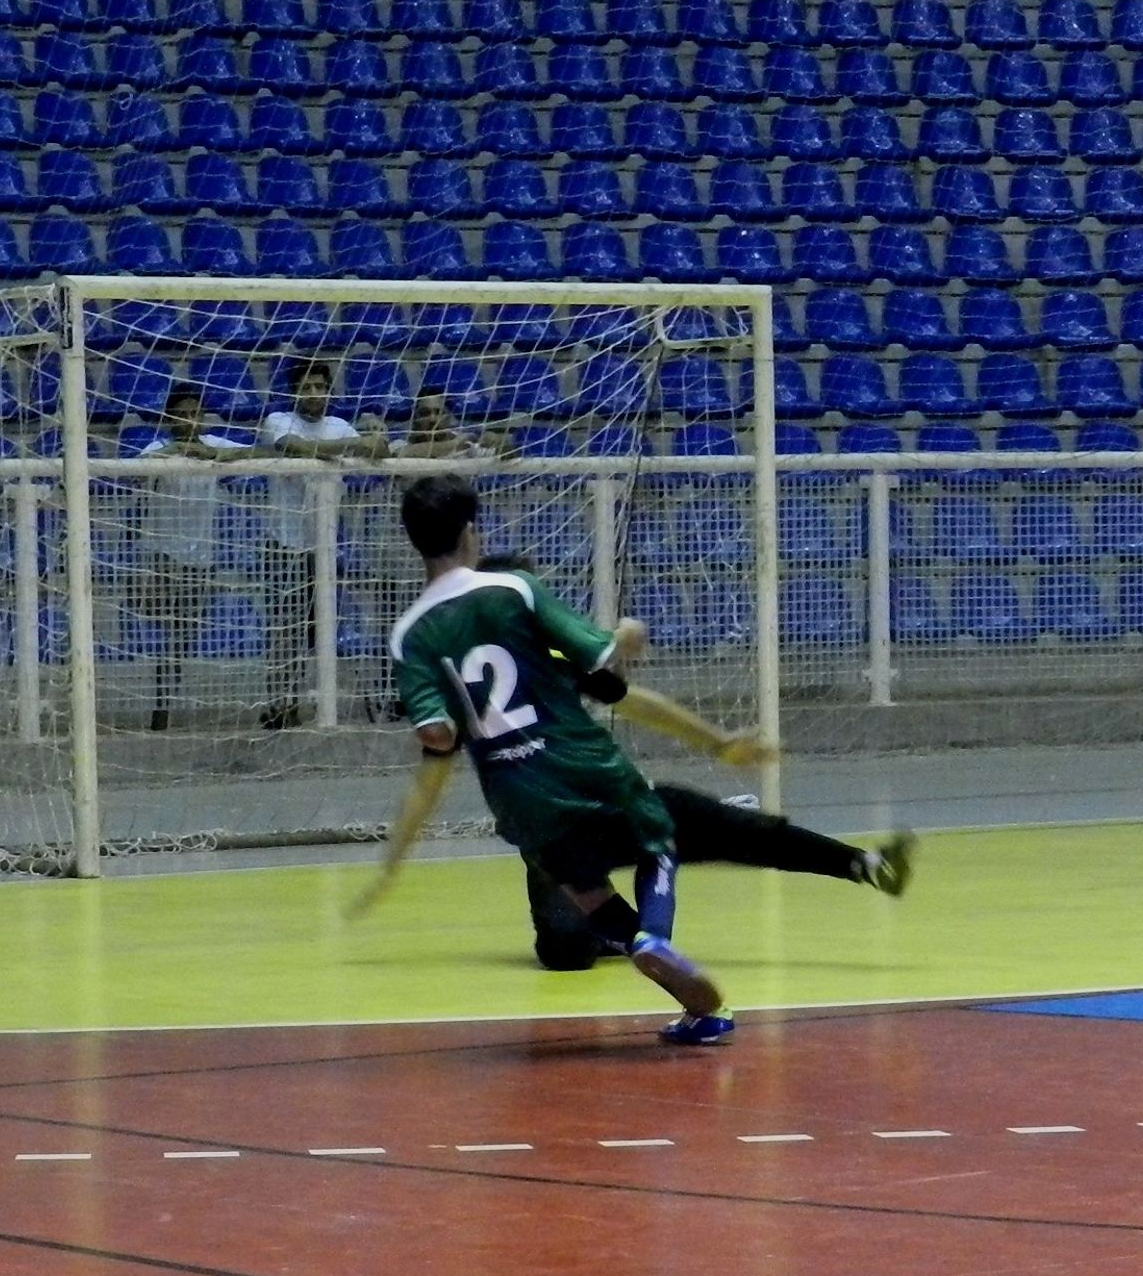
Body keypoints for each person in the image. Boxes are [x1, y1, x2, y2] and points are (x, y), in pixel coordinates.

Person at [383, 474, 732, 1044]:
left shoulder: (408, 634)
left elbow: (438, 735)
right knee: (659, 837)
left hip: (514, 793)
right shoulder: (513, 588)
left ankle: (694, 1011)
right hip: (579, 760)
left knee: (585, 888)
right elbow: (600, 658)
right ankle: (654, 937)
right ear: (472, 531)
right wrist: (626, 633)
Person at [469, 550, 915, 970]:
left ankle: (863, 865)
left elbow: (630, 699)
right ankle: (630, 935)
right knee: (566, 953)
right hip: (548, 827)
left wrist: (718, 742)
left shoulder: (549, 654)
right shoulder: (460, 668)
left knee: (717, 826)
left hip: (593, 811)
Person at [257, 359, 388, 730]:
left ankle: (328, 703)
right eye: (306, 388)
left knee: (325, 627)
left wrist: (351, 444)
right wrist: (350, 445)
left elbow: (379, 448)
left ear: (330, 391)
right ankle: (281, 704)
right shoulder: (277, 420)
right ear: (294, 392)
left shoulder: (339, 425)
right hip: (282, 545)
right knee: (285, 629)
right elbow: (295, 447)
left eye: (320, 387)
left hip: (326, 547)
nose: (314, 394)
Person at [133, 387, 251, 731]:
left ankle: (165, 699)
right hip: (160, 558)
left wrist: (213, 455)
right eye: (181, 414)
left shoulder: (213, 445)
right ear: (169, 419)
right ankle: (160, 700)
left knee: (180, 637)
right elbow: (137, 469)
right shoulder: (156, 449)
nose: (189, 420)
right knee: (164, 631)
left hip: (201, 561)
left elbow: (259, 452)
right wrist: (175, 451)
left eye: (195, 413)